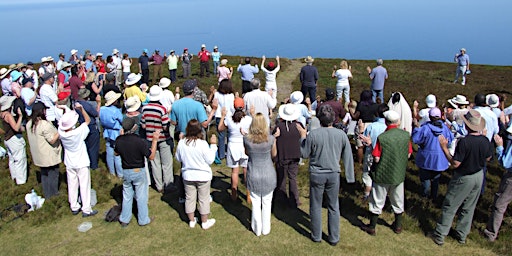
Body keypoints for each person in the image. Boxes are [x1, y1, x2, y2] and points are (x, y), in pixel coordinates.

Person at [430, 110, 492, 245]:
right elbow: (488, 157)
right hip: (478, 175)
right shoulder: (485, 140)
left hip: (464, 177)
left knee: (450, 205)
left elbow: (455, 164)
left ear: (467, 125)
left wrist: (444, 148)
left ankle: (440, 235)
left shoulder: (464, 142)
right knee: (469, 207)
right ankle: (461, 235)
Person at [298, 104, 354, 245]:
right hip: (333, 173)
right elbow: (348, 156)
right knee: (333, 206)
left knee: (316, 205)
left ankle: (316, 236)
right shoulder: (341, 135)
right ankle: (334, 237)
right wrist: (350, 176)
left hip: (317, 173)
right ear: (333, 119)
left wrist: (303, 138)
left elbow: (304, 154)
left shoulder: (314, 135)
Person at [360, 110, 412, 236]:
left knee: (377, 200)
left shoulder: (382, 138)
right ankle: (398, 225)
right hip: (398, 173)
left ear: (386, 122)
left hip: (382, 173)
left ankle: (372, 226)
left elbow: (376, 157)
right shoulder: (405, 135)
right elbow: (409, 154)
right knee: (398, 200)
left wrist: (371, 145)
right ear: (398, 122)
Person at [115, 118, 160, 227]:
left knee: (127, 195)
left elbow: (116, 153)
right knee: (141, 196)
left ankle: (125, 219)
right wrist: (154, 141)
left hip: (126, 171)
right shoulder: (139, 141)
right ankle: (143, 219)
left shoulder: (119, 140)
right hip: (138, 170)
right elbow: (151, 156)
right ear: (134, 128)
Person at [175, 119, 217, 230]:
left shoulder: (182, 143)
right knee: (203, 199)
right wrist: (213, 146)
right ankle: (204, 222)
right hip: (202, 176)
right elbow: (210, 159)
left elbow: (178, 158)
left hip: (188, 175)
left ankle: (192, 220)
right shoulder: (202, 144)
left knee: (190, 198)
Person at [58, 103, 98, 217]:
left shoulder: (61, 133)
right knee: (84, 185)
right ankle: (86, 209)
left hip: (70, 162)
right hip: (81, 161)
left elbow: (64, 123)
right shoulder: (77, 132)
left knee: (72, 184)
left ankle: (74, 206)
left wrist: (65, 109)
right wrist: (81, 109)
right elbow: (87, 121)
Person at [244, 113, 278, 236]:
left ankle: (257, 228)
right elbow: (274, 155)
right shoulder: (271, 139)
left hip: (254, 172)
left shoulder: (247, 140)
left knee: (256, 202)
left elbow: (247, 153)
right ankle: (266, 228)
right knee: (267, 202)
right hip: (268, 172)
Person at [412, 107, 453, 200]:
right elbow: (450, 140)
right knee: (436, 178)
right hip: (440, 158)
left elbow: (416, 139)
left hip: (426, 157)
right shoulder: (445, 128)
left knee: (425, 178)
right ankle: (434, 196)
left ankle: (425, 195)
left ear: (430, 117)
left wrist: (416, 128)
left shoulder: (425, 128)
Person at [218, 98, 252, 202]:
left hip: (233, 145)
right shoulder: (248, 119)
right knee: (246, 171)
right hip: (244, 145)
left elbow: (220, 128)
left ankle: (234, 194)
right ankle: (249, 195)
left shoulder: (229, 119)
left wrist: (223, 115)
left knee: (234, 171)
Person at [141, 86, 174, 193]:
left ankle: (159, 186)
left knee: (155, 163)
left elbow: (143, 125)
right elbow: (165, 126)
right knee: (166, 163)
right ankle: (168, 184)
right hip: (163, 138)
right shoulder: (162, 109)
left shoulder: (144, 108)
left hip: (150, 139)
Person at [26, 102, 62, 198]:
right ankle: (53, 195)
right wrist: (60, 130)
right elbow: (52, 139)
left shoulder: (29, 124)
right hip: (48, 155)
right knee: (53, 175)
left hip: (39, 156)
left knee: (44, 174)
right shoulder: (44, 125)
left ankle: (47, 194)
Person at [273, 103, 303, 207]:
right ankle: (294, 200)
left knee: (281, 178)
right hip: (295, 156)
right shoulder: (299, 126)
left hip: (282, 155)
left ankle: (281, 200)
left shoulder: (278, 127)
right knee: (292, 178)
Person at [358, 103, 389, 201]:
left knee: (368, 174)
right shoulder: (388, 127)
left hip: (371, 153)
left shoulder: (372, 126)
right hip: (385, 155)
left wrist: (361, 130)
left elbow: (364, 140)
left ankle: (367, 195)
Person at [0, 96, 27, 185]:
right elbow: (15, 128)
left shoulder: (2, 114)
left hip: (7, 139)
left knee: (12, 159)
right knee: (20, 159)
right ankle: (21, 181)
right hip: (14, 140)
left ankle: (14, 177)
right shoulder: (8, 115)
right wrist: (20, 116)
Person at [349, 90, 378, 164]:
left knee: (360, 146)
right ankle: (372, 161)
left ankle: (360, 162)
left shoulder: (360, 106)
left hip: (362, 124)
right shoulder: (375, 106)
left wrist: (350, 110)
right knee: (371, 144)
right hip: (372, 125)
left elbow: (355, 117)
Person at [100, 91, 124, 178]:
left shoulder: (102, 109)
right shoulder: (116, 111)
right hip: (116, 132)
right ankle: (120, 174)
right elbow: (122, 121)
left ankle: (112, 172)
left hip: (107, 131)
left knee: (109, 152)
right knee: (117, 154)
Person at [76, 88, 100, 170]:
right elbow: (96, 113)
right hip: (91, 126)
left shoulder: (75, 104)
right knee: (93, 147)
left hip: (82, 125)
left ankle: (86, 164)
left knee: (85, 145)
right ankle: (94, 165)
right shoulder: (86, 105)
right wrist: (99, 104)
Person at [212, 79, 235, 160]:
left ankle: (221, 154)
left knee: (221, 136)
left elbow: (214, 104)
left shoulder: (217, 94)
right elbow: (232, 108)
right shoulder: (231, 96)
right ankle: (229, 153)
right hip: (229, 116)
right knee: (230, 135)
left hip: (219, 116)